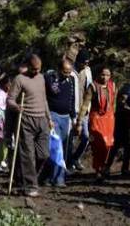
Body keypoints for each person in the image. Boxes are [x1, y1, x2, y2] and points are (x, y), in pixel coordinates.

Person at [7, 54, 52, 197]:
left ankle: (22, 178)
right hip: (26, 119)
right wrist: (16, 107)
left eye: (39, 69)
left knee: (43, 154)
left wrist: (49, 118)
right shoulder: (20, 79)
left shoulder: (41, 78)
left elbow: (44, 99)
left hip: (42, 120)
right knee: (27, 155)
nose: (36, 71)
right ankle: (30, 186)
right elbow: (10, 99)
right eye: (34, 69)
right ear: (28, 66)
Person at [76, 67, 115, 181]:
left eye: (107, 75)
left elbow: (114, 104)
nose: (105, 77)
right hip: (96, 119)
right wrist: (79, 121)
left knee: (108, 145)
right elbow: (85, 105)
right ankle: (98, 169)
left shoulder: (113, 86)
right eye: (103, 74)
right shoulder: (92, 87)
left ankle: (104, 167)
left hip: (109, 119)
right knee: (98, 146)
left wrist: (113, 117)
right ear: (99, 74)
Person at [43, 59, 77, 188]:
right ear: (58, 69)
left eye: (69, 72)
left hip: (66, 117)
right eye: (65, 72)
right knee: (56, 148)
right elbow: (53, 91)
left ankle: (46, 177)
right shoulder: (51, 78)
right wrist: (54, 78)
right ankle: (59, 179)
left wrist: (73, 117)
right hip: (53, 116)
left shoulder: (71, 80)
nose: (67, 74)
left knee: (63, 147)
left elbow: (72, 98)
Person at [70, 49, 93, 171]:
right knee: (71, 138)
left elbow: (89, 90)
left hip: (84, 110)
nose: (85, 65)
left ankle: (75, 158)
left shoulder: (88, 72)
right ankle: (68, 162)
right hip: (72, 109)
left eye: (87, 63)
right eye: (83, 63)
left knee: (85, 136)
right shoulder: (70, 71)